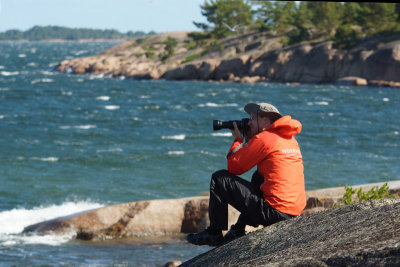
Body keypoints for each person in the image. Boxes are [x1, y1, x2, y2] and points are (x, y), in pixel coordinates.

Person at [187, 102, 306, 246]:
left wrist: (238, 140)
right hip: (292, 211)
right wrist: (250, 139)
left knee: (220, 178)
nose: (249, 123)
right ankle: (238, 229)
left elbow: (234, 167)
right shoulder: (289, 139)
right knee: (258, 177)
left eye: (252, 118)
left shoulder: (265, 138)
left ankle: (214, 233)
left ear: (265, 121)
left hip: (274, 211)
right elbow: (260, 156)